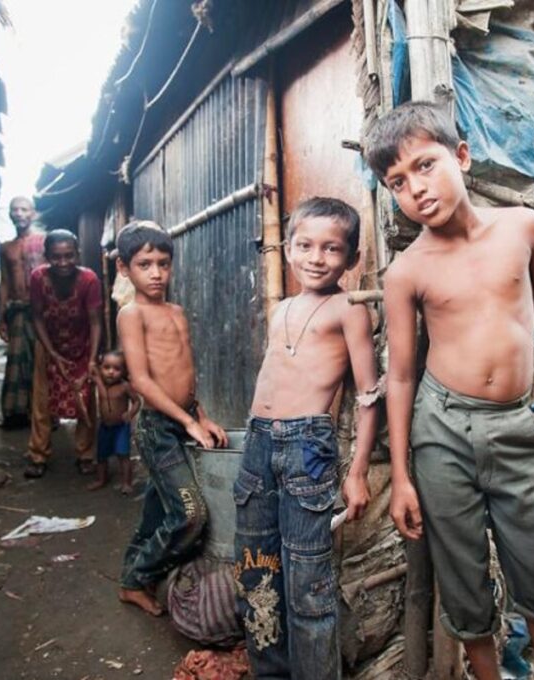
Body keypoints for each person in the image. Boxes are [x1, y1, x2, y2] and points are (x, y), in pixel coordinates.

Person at [364, 101, 534, 680]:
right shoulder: (407, 271)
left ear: (461, 157)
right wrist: (401, 476)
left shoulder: (522, 227)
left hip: (514, 427)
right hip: (441, 431)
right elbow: (400, 375)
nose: (415, 188)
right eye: (397, 182)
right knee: (463, 580)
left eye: (425, 165)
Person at [233, 197, 378, 679]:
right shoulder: (283, 310)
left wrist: (356, 472)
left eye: (331, 249)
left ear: (351, 259)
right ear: (289, 249)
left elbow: (369, 395)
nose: (317, 257)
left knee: (307, 584)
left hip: (306, 451)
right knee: (257, 571)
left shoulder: (348, 309)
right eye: (306, 245)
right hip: (258, 444)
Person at [114, 221, 228, 617]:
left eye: (164, 263)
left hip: (183, 420)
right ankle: (138, 576)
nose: (156, 273)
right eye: (144, 264)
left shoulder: (176, 311)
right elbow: (142, 380)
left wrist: (202, 415)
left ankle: (134, 574)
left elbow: (184, 372)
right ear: (124, 268)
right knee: (190, 513)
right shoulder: (132, 314)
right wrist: (187, 421)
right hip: (157, 427)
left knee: (161, 507)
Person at [24, 229, 102, 479]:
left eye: (69, 255)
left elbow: (96, 322)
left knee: (86, 400)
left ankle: (86, 454)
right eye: (56, 257)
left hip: (83, 344)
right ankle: (38, 455)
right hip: (48, 344)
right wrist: (51, 352)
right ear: (47, 256)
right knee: (41, 401)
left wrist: (91, 359)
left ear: (77, 254)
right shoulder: (38, 278)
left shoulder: (89, 279)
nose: (63, 262)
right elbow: (36, 316)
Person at [0, 196, 47, 429]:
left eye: (23, 209)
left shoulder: (44, 242)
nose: (19, 213)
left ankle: (45, 414)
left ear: (33, 214)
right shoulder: (6, 248)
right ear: (10, 214)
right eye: (14, 209)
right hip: (17, 309)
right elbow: (5, 282)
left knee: (42, 361)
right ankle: (15, 413)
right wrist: (1, 317)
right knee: (17, 362)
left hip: (43, 310)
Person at [88, 349, 138, 495]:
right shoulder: (99, 383)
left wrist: (130, 413)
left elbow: (136, 402)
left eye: (117, 369)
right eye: (107, 367)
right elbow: (89, 375)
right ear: (101, 368)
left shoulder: (124, 386)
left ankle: (126, 483)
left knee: (123, 455)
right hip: (105, 426)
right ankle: (100, 479)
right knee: (101, 455)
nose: (111, 372)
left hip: (121, 427)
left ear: (124, 371)